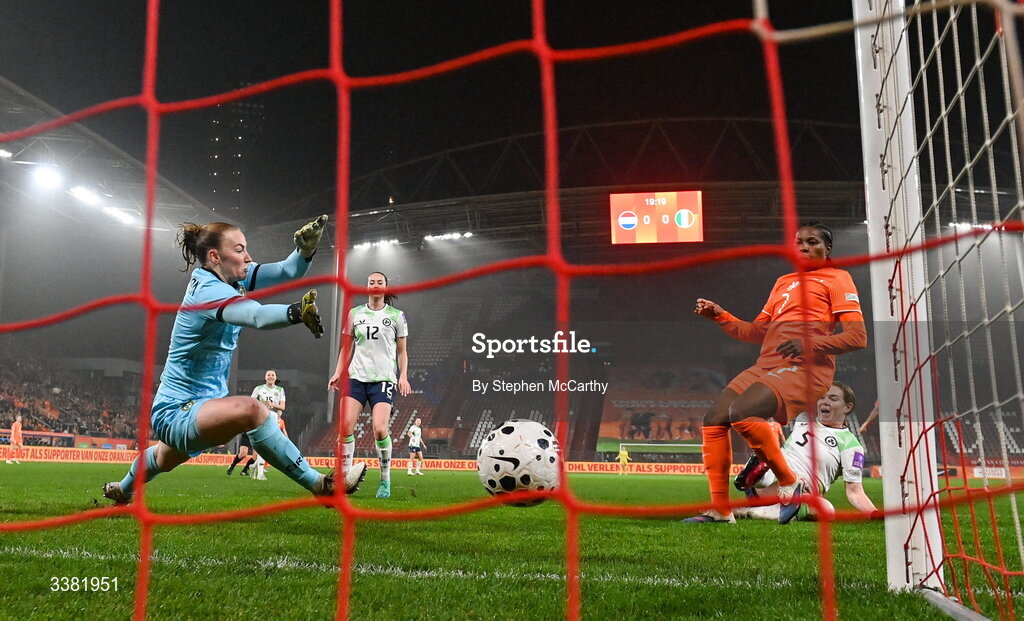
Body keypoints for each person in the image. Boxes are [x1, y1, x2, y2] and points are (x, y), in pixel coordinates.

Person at [103, 215, 367, 504]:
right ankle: (322, 486)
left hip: (205, 404)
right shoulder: (207, 291)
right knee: (252, 410)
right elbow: (255, 315)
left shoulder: (228, 277)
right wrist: (295, 312)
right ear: (215, 256)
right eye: (240, 250)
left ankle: (123, 489)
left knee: (161, 458)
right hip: (177, 411)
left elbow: (286, 271)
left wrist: (304, 252)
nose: (248, 257)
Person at [684, 222, 867, 524]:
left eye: (812, 242)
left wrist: (810, 343)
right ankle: (720, 511)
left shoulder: (837, 279)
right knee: (714, 417)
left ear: (828, 249)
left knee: (741, 412)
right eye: (798, 243)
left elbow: (857, 338)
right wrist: (721, 315)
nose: (804, 247)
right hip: (766, 364)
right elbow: (757, 331)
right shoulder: (783, 282)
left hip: (807, 367)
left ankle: (788, 482)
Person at [732, 381, 879, 523]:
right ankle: (759, 471)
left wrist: (874, 514)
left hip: (801, 496)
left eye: (833, 399)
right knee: (773, 441)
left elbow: (855, 491)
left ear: (847, 407)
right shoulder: (804, 418)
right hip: (774, 482)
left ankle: (749, 510)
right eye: (822, 397)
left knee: (826, 509)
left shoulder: (851, 446)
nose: (825, 401)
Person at [328, 271, 412, 499]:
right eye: (371, 282)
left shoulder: (396, 316)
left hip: (383, 379)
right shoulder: (355, 314)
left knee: (380, 429)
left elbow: (402, 351)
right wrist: (338, 372)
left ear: (385, 288)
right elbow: (346, 347)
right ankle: (344, 478)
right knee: (345, 427)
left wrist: (403, 376)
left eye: (380, 282)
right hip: (356, 377)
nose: (375, 285)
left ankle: (385, 479)